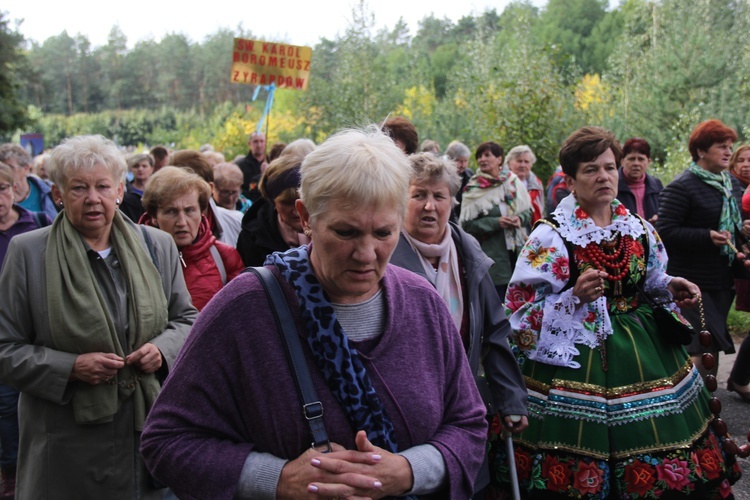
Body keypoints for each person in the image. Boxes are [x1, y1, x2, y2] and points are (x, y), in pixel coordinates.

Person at [140, 126, 488, 499]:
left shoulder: (424, 305)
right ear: (305, 216)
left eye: (384, 233)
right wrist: (277, 478)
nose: (366, 254)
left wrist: (408, 470)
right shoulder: (243, 310)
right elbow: (166, 440)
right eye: (346, 232)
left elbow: (468, 424)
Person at [503, 126, 741, 498]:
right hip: (577, 354)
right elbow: (519, 310)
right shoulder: (551, 236)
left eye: (610, 167)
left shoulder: (639, 228)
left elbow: (650, 277)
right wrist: (573, 298)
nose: (604, 177)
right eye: (591, 170)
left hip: (645, 350)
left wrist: (669, 284)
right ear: (570, 180)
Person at [0, 135, 198, 499]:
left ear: (120, 190)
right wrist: (69, 367)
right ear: (58, 194)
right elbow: (6, 349)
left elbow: (187, 320)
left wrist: (161, 348)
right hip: (64, 451)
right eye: (78, 188)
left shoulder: (157, 245)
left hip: (145, 440)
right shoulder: (28, 252)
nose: (93, 198)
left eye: (103, 186)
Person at [389, 152, 528, 496]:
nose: (429, 206)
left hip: (461, 406)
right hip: (401, 410)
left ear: (453, 200)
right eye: (418, 195)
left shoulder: (467, 251)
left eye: (439, 196)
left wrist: (511, 398)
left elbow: (495, 331)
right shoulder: (384, 254)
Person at [657, 119, 745, 374]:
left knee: (710, 345)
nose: (729, 152)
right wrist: (706, 236)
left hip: (722, 279)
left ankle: (707, 404)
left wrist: (744, 232)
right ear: (701, 151)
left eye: (730, 146)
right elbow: (665, 231)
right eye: (721, 146)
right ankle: (691, 404)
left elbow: (736, 224)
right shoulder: (682, 186)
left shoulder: (731, 184)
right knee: (701, 346)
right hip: (692, 279)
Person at [0, 163, 52, 499]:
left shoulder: (37, 225)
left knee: (33, 401)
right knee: (5, 406)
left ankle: (38, 470)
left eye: (2, 189)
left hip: (32, 330)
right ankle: (11, 474)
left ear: (15, 189)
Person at [141, 166, 244, 311]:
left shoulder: (224, 256)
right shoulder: (135, 255)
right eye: (171, 211)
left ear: (202, 212)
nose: (182, 222)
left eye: (190, 210)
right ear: (154, 217)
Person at [459, 141, 532, 299]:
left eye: (487, 155)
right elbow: (466, 225)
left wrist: (519, 219)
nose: (482, 159)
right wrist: (495, 222)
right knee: (497, 305)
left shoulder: (512, 182)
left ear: (499, 159)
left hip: (517, 253)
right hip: (492, 258)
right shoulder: (473, 188)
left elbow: (528, 212)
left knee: (520, 302)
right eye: (479, 156)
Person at [236, 153, 310, 266]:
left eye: (301, 201)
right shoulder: (252, 238)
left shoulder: (330, 227)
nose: (296, 211)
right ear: (272, 201)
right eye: (286, 203)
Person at [168, 150, 243, 247]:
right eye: (173, 189)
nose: (180, 196)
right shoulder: (156, 229)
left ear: (210, 188)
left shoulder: (236, 222)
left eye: (189, 189)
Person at [0, 144, 58, 221]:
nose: (5, 173)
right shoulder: (3, 201)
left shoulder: (49, 191)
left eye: (9, 168)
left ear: (26, 168)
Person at [616, 137, 663, 223]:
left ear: (648, 162)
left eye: (641, 159)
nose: (636, 163)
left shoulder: (656, 186)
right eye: (631, 159)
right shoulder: (613, 185)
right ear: (622, 161)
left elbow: (664, 212)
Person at [506, 144, 544, 227]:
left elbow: (541, 209)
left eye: (526, 162)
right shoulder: (503, 182)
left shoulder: (537, 184)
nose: (523, 165)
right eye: (519, 161)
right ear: (509, 163)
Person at [120, 153, 154, 223]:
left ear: (151, 169)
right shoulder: (124, 192)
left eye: (144, 166)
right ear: (130, 169)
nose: (140, 169)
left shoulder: (157, 191)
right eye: (136, 166)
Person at [445, 140, 473, 222]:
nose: (463, 165)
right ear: (450, 160)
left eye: (465, 161)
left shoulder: (469, 174)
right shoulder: (444, 176)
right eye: (460, 161)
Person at [237, 131, 268, 202]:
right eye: (255, 141)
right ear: (249, 143)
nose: (259, 145)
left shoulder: (272, 163)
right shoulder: (241, 165)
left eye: (262, 141)